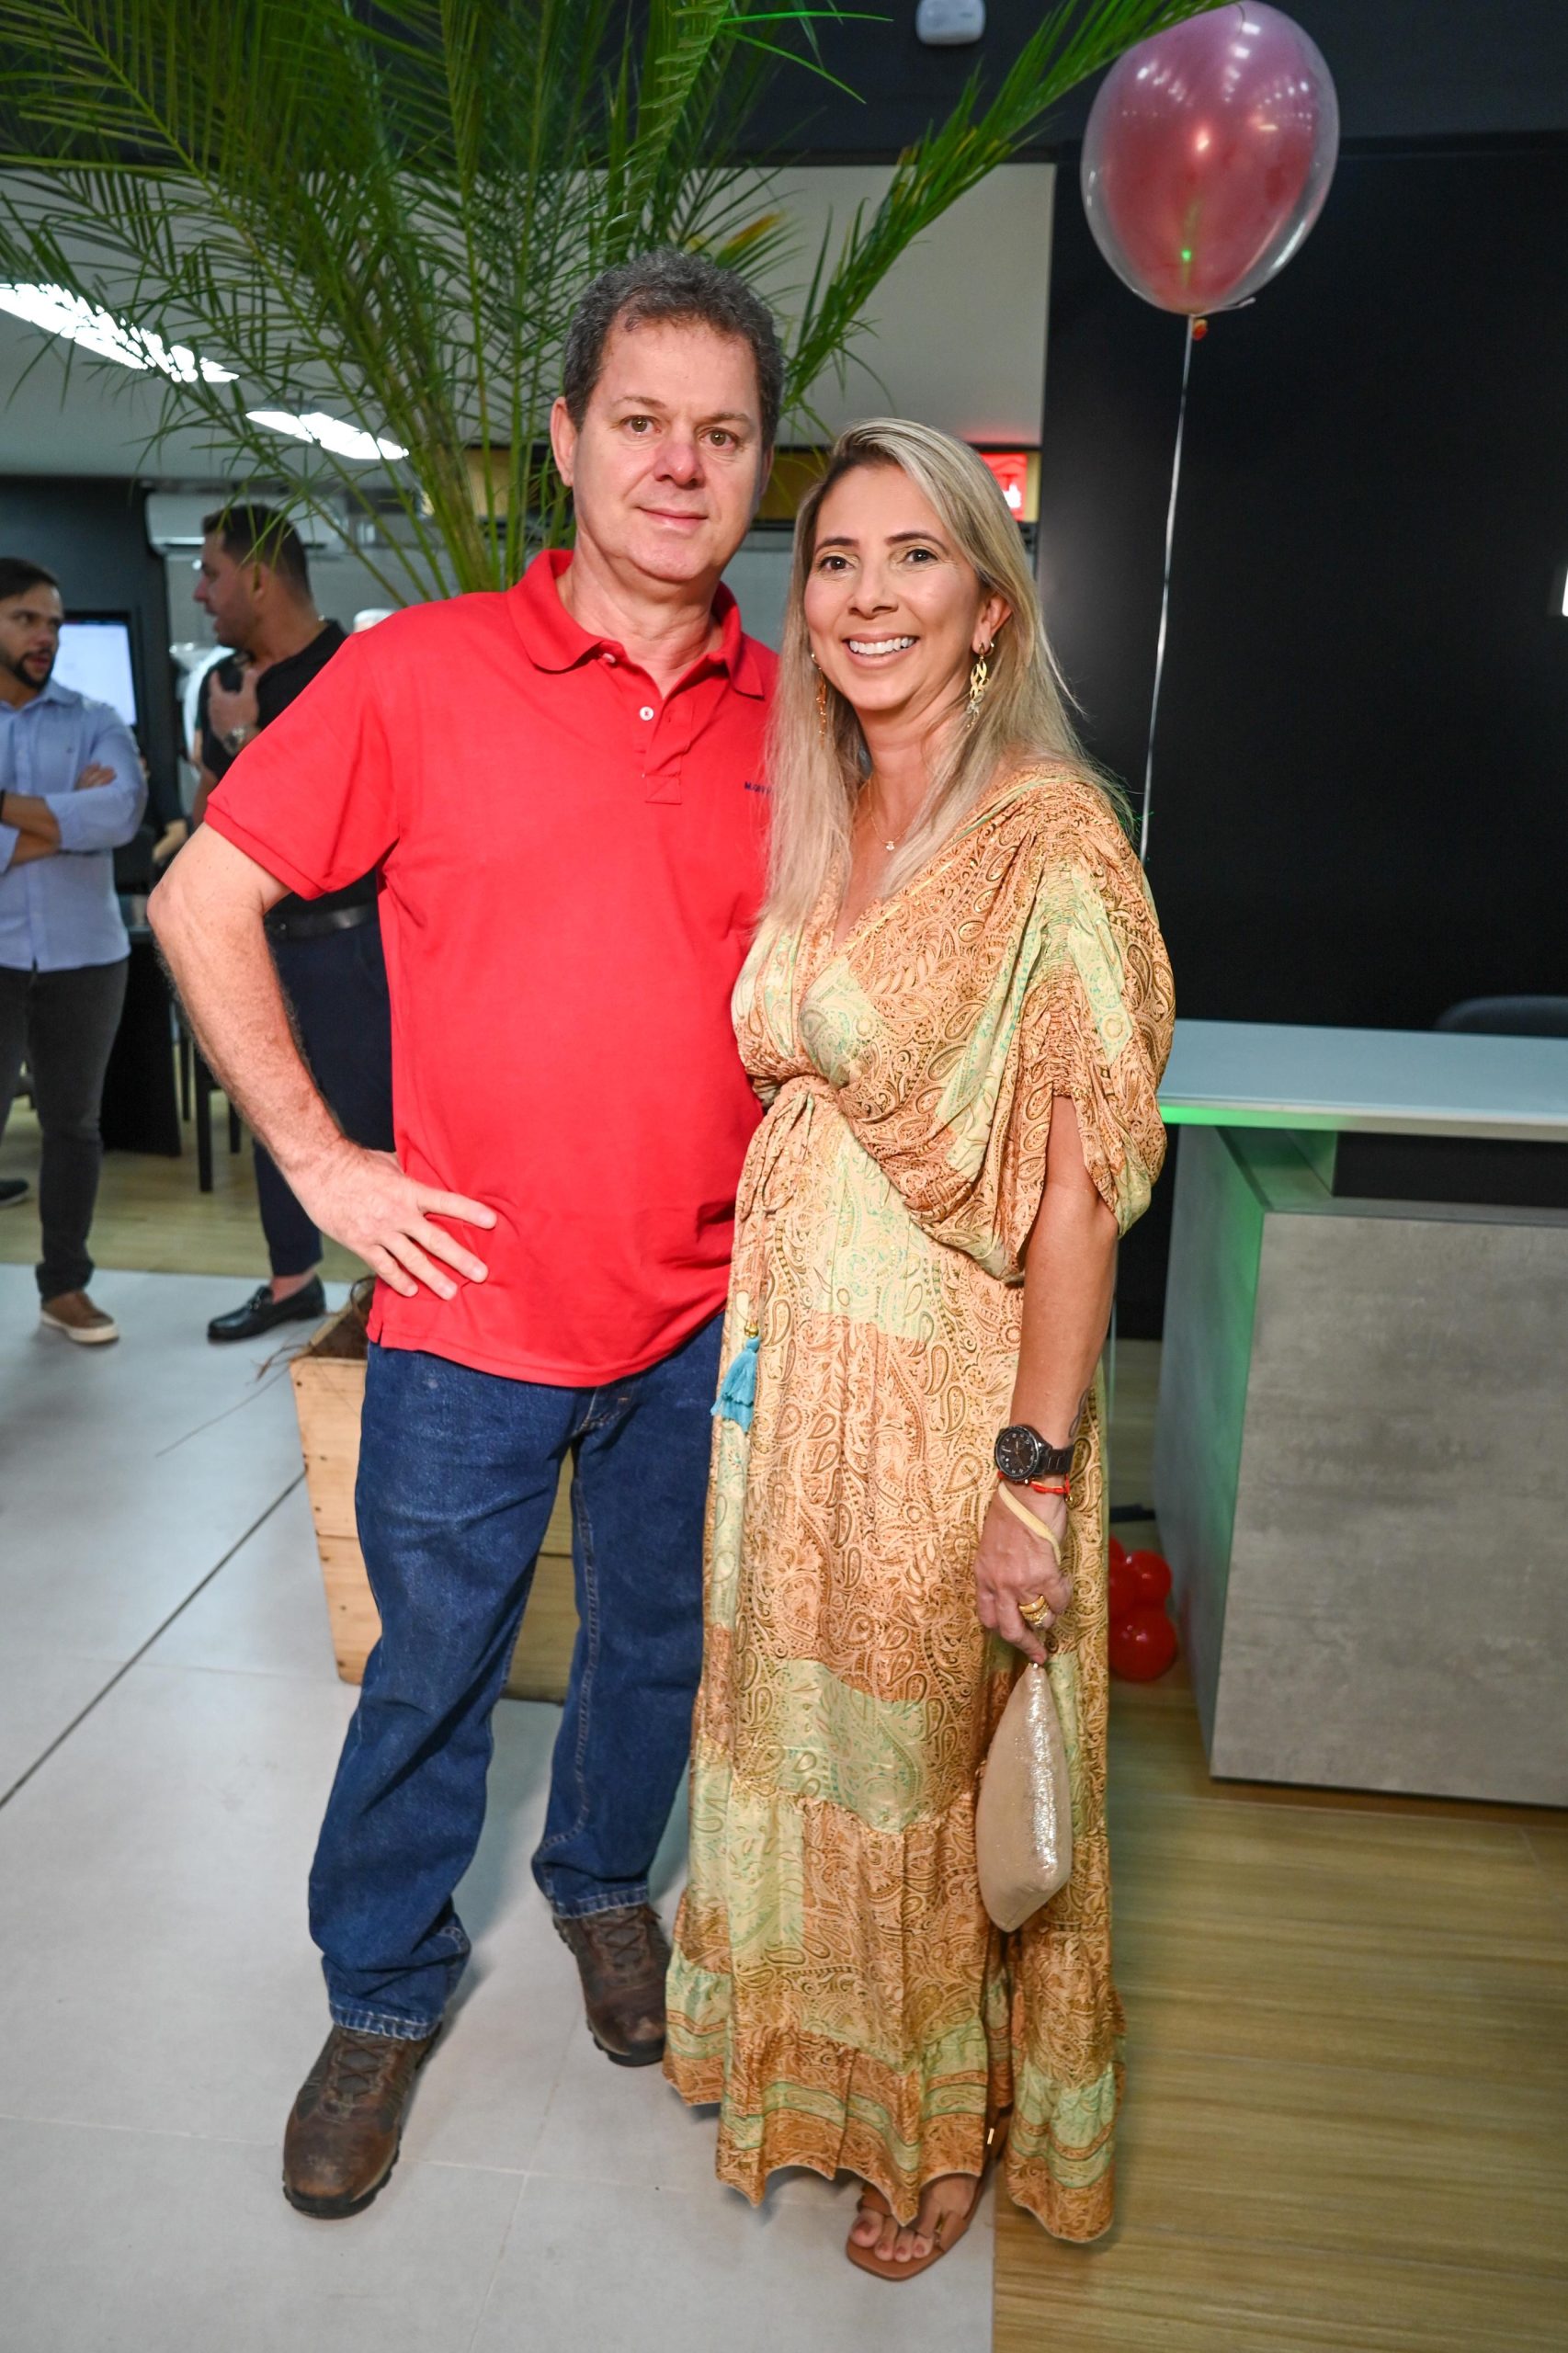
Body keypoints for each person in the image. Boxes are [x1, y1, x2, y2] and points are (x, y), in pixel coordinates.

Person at [149, 250, 781, 2219]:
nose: (679, 464)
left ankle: (598, 1883)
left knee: (658, 1646)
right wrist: (326, 1166)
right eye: (641, 421)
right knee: (430, 1671)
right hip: (468, 1307)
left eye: (723, 432)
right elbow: (198, 900)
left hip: (707, 1313)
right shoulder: (418, 674)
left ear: (760, 463)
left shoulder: (807, 713)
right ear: (569, 443)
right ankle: (381, 1987)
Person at [664, 422, 1175, 2275]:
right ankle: (815, 2064)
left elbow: (1076, 1198)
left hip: (944, 1405)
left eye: (913, 558)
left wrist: (1029, 1480)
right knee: (792, 1729)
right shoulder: (828, 813)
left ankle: (929, 2126)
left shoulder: (1052, 842)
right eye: (836, 561)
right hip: (789, 1391)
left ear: (988, 607)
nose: (867, 595)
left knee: (911, 1769)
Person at [187, 505, 395, 1344]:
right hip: (259, 942)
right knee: (269, 1104)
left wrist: (245, 740)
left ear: (259, 579)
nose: (201, 594)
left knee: (381, 1118)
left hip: (353, 943)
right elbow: (207, 825)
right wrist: (226, 746)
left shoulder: (352, 669)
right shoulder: (224, 684)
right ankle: (291, 1282)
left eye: (211, 574)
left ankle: (399, 1293)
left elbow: (344, 820)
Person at [0, 557, 147, 1342]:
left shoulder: (97, 718)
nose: (45, 637)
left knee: (73, 1127)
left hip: (87, 957)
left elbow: (119, 813)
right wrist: (65, 820)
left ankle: (64, 1287)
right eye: (26, 619)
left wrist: (6, 812)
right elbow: (90, 819)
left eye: (53, 624)